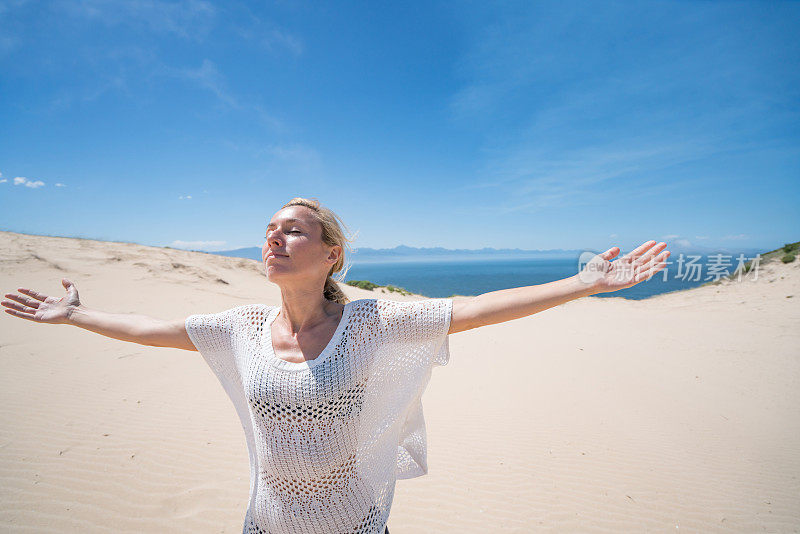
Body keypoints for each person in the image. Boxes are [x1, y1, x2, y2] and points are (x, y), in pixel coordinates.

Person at [2, 197, 670, 533]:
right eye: (270, 228)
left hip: (350, 525)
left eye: (293, 228)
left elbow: (475, 308)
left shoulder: (372, 322)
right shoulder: (239, 329)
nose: (275, 235)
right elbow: (155, 329)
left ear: (331, 256)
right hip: (265, 524)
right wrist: (77, 315)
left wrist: (581, 283)